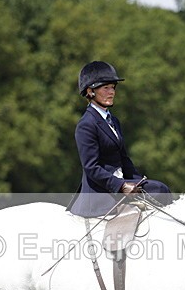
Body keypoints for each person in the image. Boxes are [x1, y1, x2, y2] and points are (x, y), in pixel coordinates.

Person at [67, 61, 172, 217]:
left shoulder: (113, 121)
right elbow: (91, 168)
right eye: (106, 88)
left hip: (122, 182)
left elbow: (124, 159)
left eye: (113, 87)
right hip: (101, 191)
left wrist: (138, 182)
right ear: (90, 91)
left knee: (160, 190)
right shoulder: (86, 124)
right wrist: (121, 187)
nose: (112, 92)